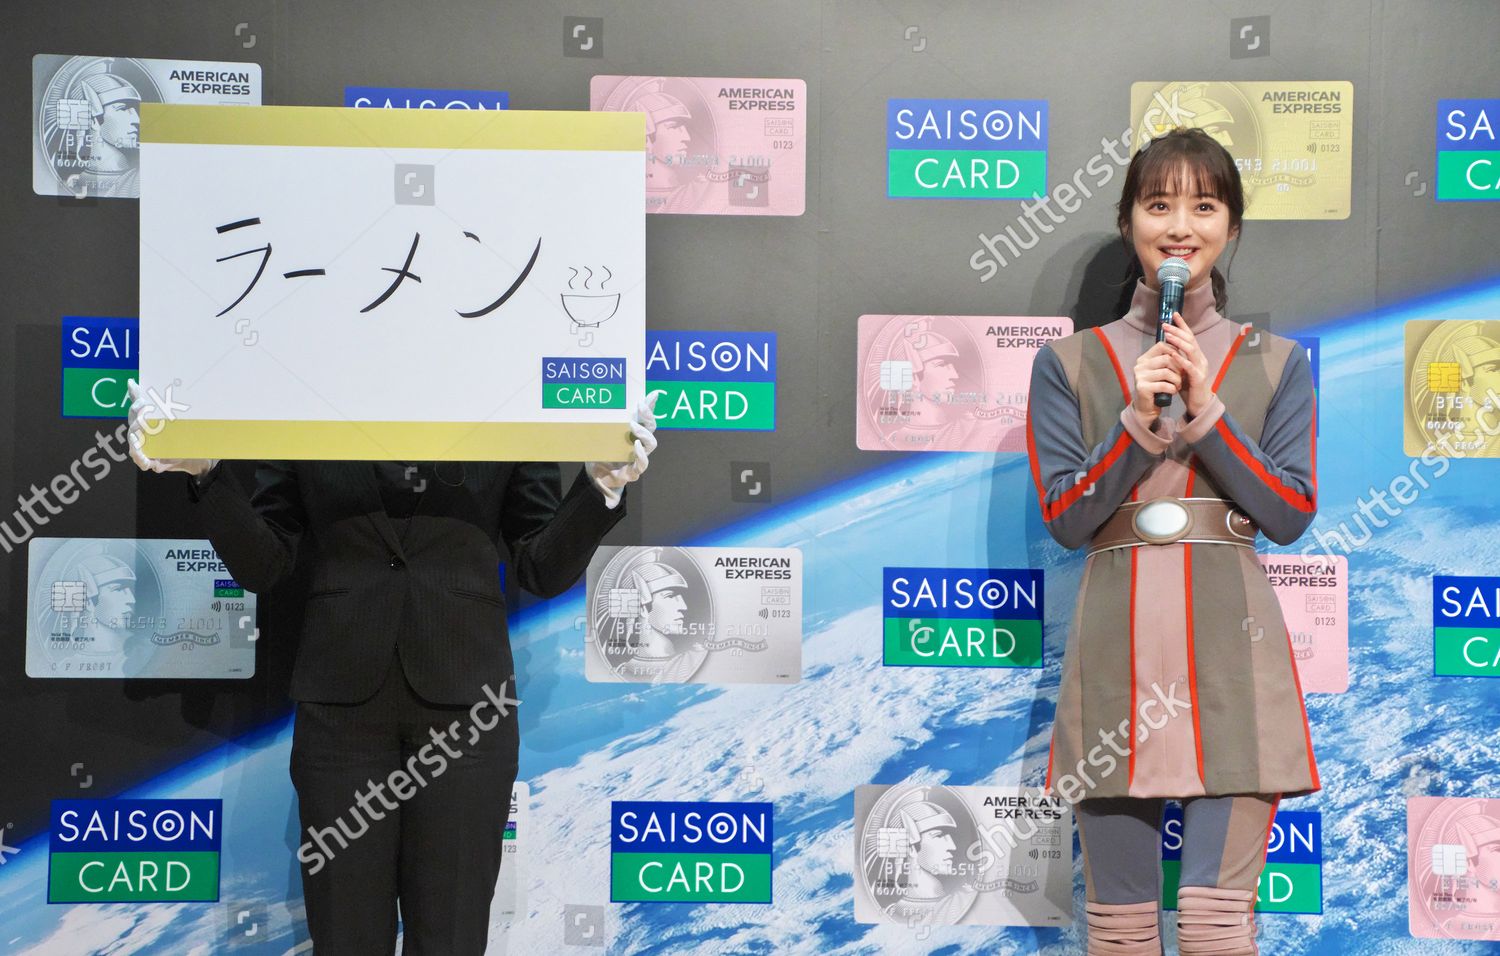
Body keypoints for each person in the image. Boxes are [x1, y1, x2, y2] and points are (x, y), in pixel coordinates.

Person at [127, 383, 663, 955]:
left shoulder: (505, 385)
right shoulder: (306, 389)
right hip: (341, 713)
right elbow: (265, 563)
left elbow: (540, 565)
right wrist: (206, 473)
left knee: (451, 938)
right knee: (345, 936)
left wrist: (602, 485)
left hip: (466, 713)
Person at [1025, 127, 1319, 955]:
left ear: (1230, 225)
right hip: (1116, 653)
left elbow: (1290, 514)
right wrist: (1136, 424)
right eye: (1158, 204)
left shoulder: (1276, 362)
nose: (1180, 224)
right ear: (1128, 223)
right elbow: (1069, 517)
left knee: (1216, 925)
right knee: (1119, 928)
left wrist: (1208, 411)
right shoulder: (1070, 364)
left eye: (1204, 204)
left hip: (1234, 652)